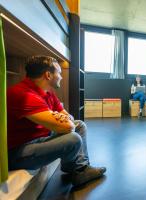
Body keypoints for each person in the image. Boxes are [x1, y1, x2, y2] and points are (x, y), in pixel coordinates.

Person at [7, 56, 106, 187]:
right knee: (74, 138)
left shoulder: (48, 93)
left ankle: (79, 169)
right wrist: (59, 119)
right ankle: (79, 170)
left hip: (42, 138)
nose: (61, 76)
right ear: (48, 75)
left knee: (79, 125)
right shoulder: (23, 95)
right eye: (59, 72)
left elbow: (67, 116)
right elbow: (68, 127)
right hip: (20, 152)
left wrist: (59, 117)